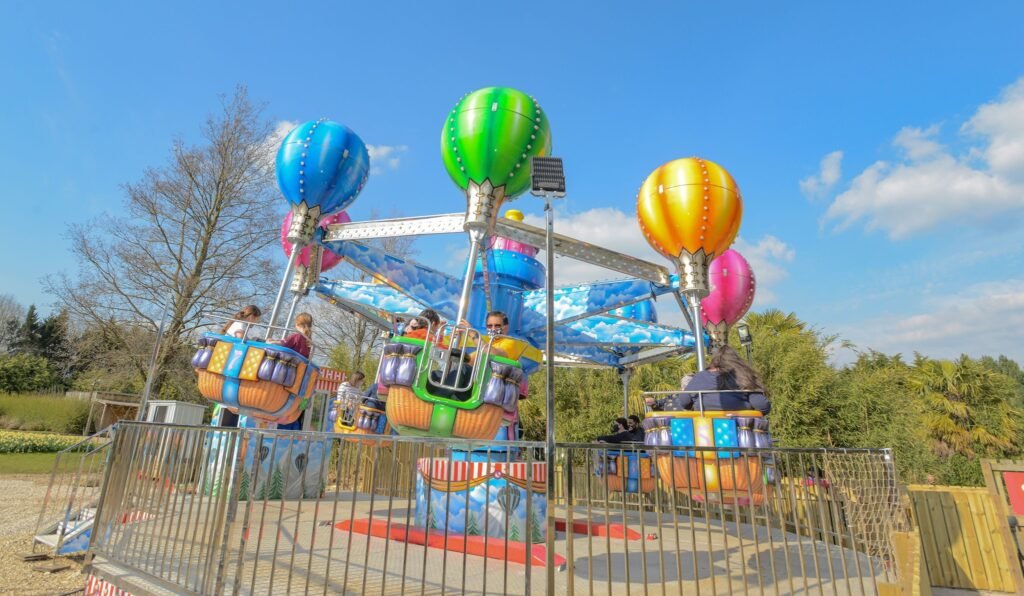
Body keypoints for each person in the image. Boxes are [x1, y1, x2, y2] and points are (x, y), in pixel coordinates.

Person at [658, 346, 770, 414]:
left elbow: (684, 402)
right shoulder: (744, 376)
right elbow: (761, 405)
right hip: (740, 431)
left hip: (705, 433)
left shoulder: (700, 377)